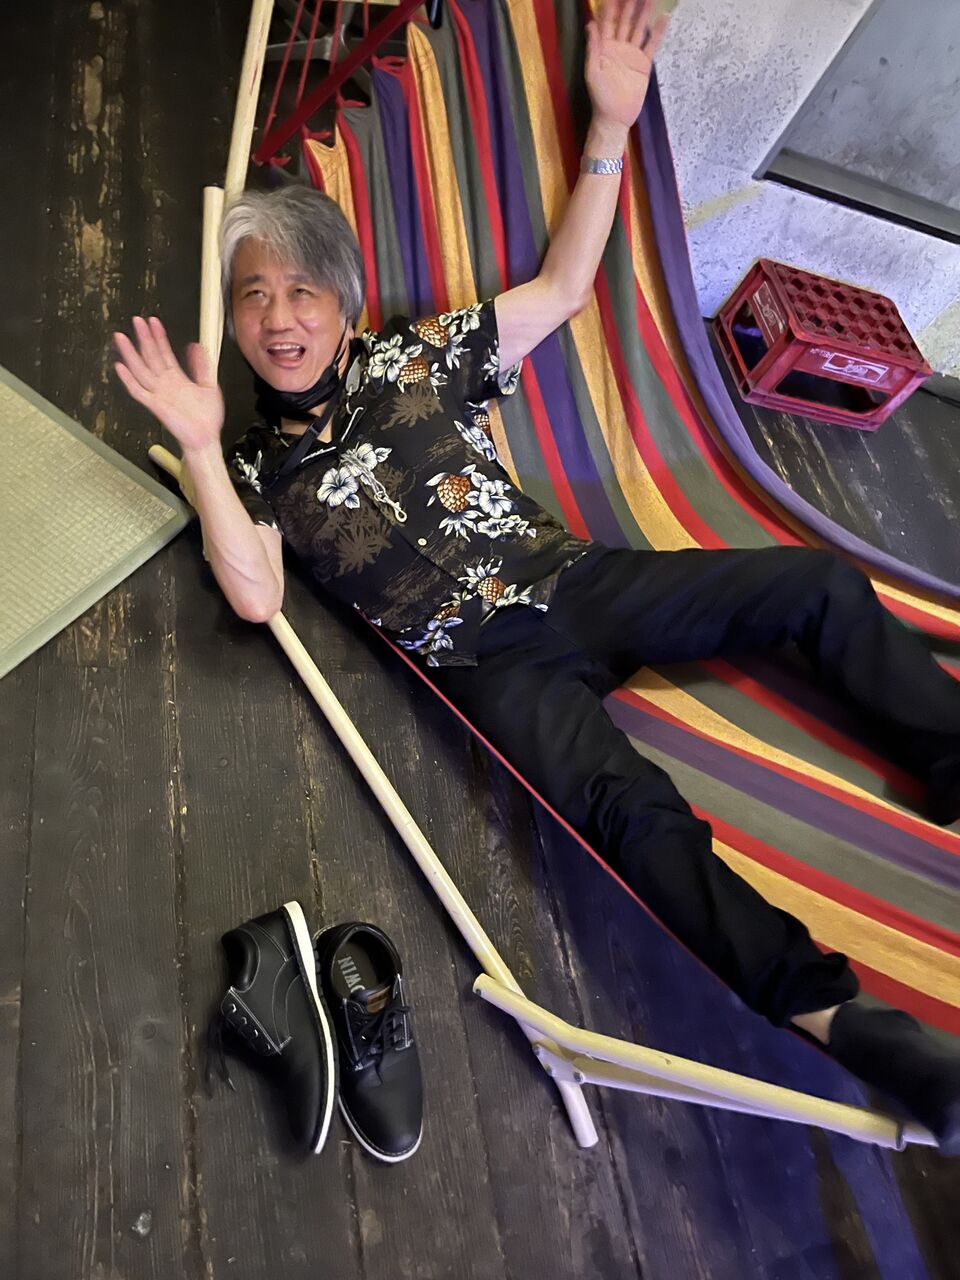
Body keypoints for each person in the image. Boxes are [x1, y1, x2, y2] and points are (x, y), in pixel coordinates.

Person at [113, 0, 960, 1152]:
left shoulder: (416, 355)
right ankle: (844, 1019)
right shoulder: (254, 465)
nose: (278, 317)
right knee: (631, 817)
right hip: (487, 662)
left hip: (573, 579)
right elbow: (255, 595)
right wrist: (204, 447)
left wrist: (610, 122)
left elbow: (563, 291)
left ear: (344, 305)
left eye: (302, 289)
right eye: (254, 294)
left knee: (818, 585)